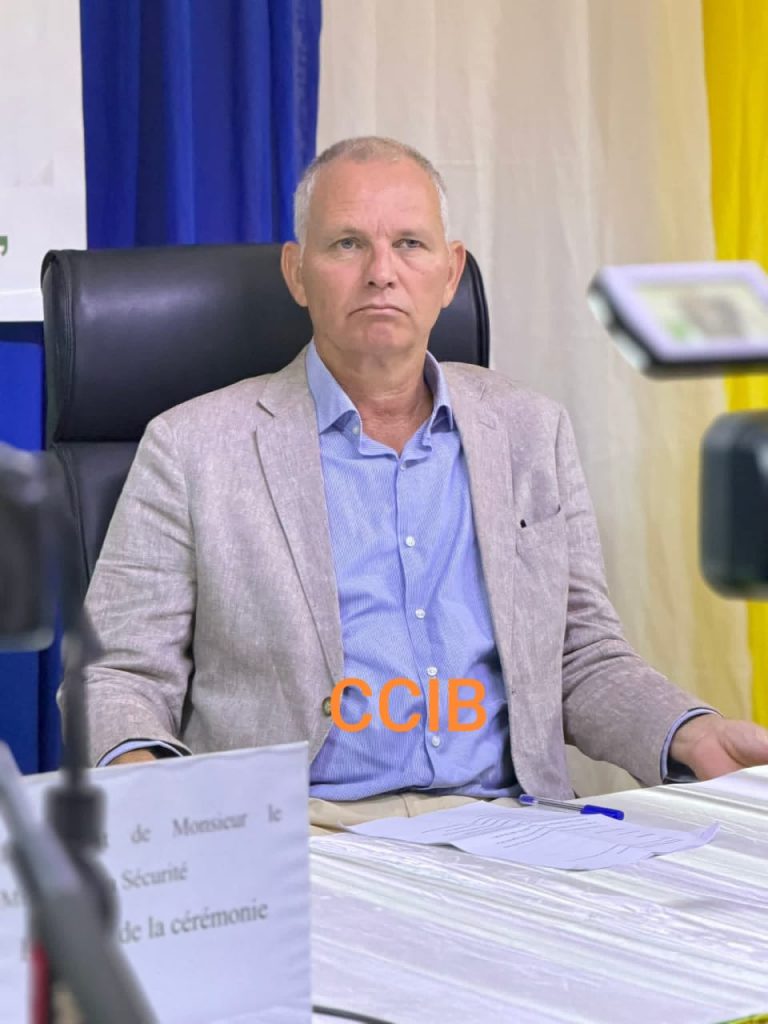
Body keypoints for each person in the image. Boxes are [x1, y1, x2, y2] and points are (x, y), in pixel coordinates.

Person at [68, 136, 768, 831]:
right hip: (299, 830)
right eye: (347, 244)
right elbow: (117, 673)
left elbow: (581, 657)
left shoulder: (531, 430)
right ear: (297, 273)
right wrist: (147, 786)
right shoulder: (191, 447)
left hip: (505, 825)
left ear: (450, 271)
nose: (382, 272)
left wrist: (691, 731)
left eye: (409, 243)